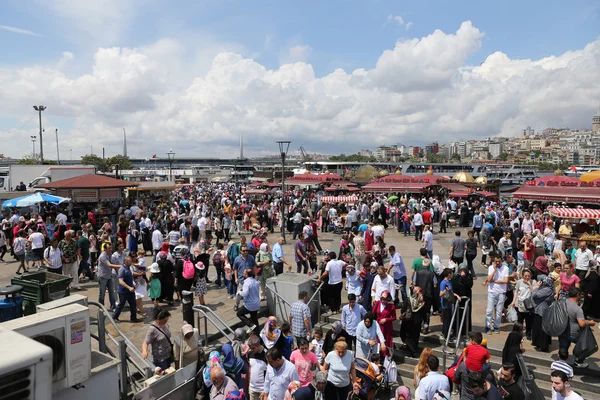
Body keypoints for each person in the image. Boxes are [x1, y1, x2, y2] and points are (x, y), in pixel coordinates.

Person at [559, 287, 597, 368]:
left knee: (563, 348)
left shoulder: (561, 302)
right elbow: (582, 324)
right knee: (587, 345)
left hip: (562, 331)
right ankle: (578, 361)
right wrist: (590, 323)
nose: (581, 296)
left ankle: (562, 362)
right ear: (577, 295)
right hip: (574, 334)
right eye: (581, 295)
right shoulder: (577, 309)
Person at [484, 253, 509, 334]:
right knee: (489, 310)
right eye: (496, 261)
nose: (497, 263)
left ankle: (496, 326)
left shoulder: (506, 268)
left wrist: (495, 281)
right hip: (492, 291)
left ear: (501, 260)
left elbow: (505, 281)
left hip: (501, 292)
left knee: (499, 311)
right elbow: (489, 279)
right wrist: (494, 270)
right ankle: (487, 326)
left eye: (499, 261)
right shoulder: (491, 268)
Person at [113, 256, 143, 323]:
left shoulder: (129, 268)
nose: (131, 262)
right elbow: (120, 281)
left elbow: (131, 276)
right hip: (123, 291)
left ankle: (133, 318)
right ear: (125, 261)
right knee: (121, 305)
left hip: (130, 290)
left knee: (133, 304)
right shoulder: (122, 269)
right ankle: (114, 317)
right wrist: (129, 287)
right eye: (130, 261)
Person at [399, 286, 425, 358]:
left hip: (408, 321)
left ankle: (412, 351)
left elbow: (403, 309)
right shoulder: (421, 302)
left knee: (404, 335)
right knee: (414, 337)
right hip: (417, 322)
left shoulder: (408, 300)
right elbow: (424, 313)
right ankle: (412, 349)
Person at [531, 275, 555, 352]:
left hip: (542, 311)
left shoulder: (547, 289)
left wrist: (537, 287)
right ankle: (539, 344)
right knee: (538, 328)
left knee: (542, 330)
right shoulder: (547, 288)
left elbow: (535, 295)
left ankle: (543, 346)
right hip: (540, 311)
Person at [511, 269, 534, 339]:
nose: (527, 277)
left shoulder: (533, 282)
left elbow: (534, 292)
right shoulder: (519, 282)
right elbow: (516, 291)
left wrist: (529, 284)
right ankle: (519, 334)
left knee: (528, 321)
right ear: (522, 276)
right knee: (519, 320)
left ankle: (528, 333)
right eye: (525, 276)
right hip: (520, 304)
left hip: (529, 305)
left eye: (528, 276)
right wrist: (514, 301)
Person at [237, 268, 261, 334]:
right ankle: (258, 335)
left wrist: (239, 292)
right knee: (255, 319)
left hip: (249, 304)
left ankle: (251, 325)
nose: (243, 274)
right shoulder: (255, 282)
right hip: (256, 303)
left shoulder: (247, 283)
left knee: (239, 313)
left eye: (244, 273)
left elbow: (245, 293)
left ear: (246, 275)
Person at [439, 268, 460, 340]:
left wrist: (456, 295)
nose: (452, 274)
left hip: (450, 303)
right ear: (448, 274)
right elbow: (441, 294)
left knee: (449, 319)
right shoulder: (443, 283)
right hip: (445, 304)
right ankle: (445, 334)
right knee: (446, 320)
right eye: (451, 273)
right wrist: (445, 290)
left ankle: (446, 333)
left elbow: (451, 292)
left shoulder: (449, 281)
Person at [248, 335, 268, 400]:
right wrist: (249, 385)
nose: (251, 350)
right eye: (250, 348)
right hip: (252, 389)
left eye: (253, 348)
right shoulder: (250, 353)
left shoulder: (267, 355)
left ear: (258, 345)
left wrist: (266, 390)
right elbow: (250, 369)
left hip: (263, 390)